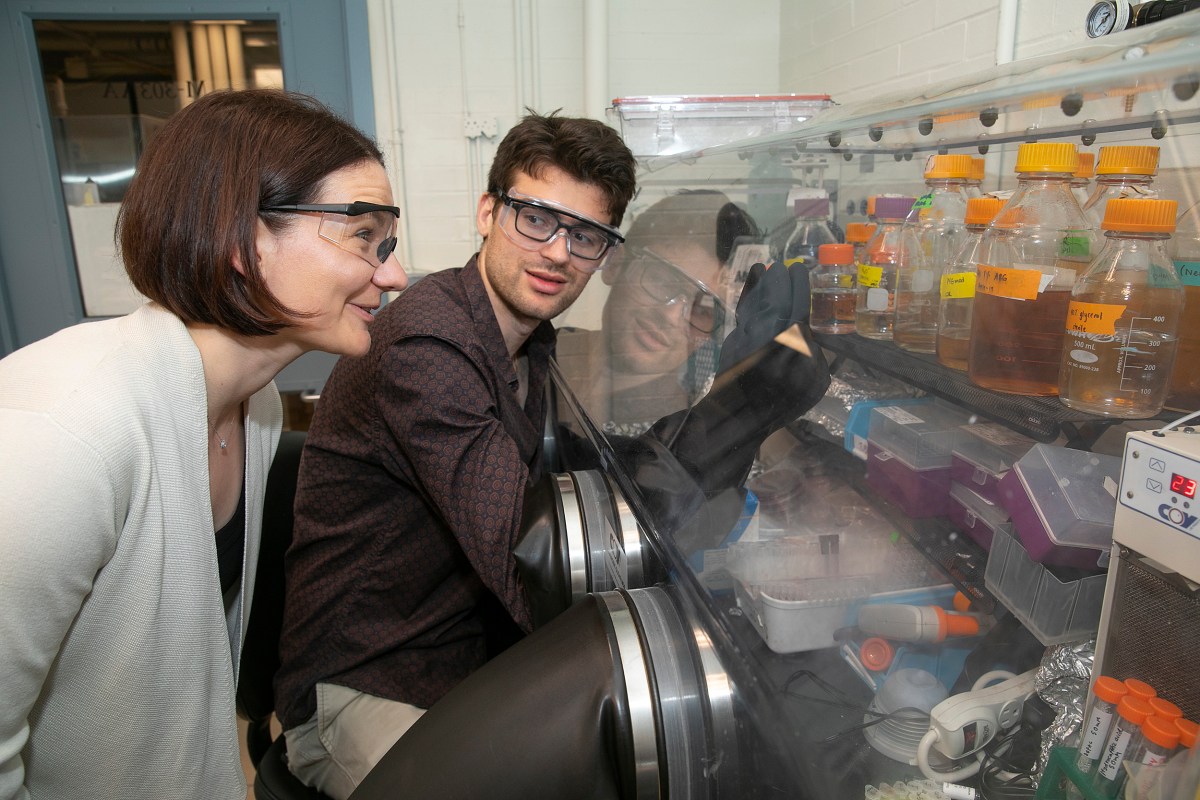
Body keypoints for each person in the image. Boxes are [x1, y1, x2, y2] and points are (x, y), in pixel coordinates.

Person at [0, 88, 407, 800]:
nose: (393, 274)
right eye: (361, 235)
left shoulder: (254, 414)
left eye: (388, 244)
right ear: (243, 241)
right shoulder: (65, 434)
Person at [273, 110, 638, 799]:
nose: (559, 252)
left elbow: (587, 476)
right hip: (360, 688)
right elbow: (523, 563)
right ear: (488, 211)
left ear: (605, 253)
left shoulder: (527, 342)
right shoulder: (429, 344)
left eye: (585, 235)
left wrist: (727, 422)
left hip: (462, 661)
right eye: (536, 217)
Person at [555, 189, 758, 437]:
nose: (671, 316)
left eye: (703, 310)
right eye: (664, 282)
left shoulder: (686, 431)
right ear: (615, 263)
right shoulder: (537, 354)